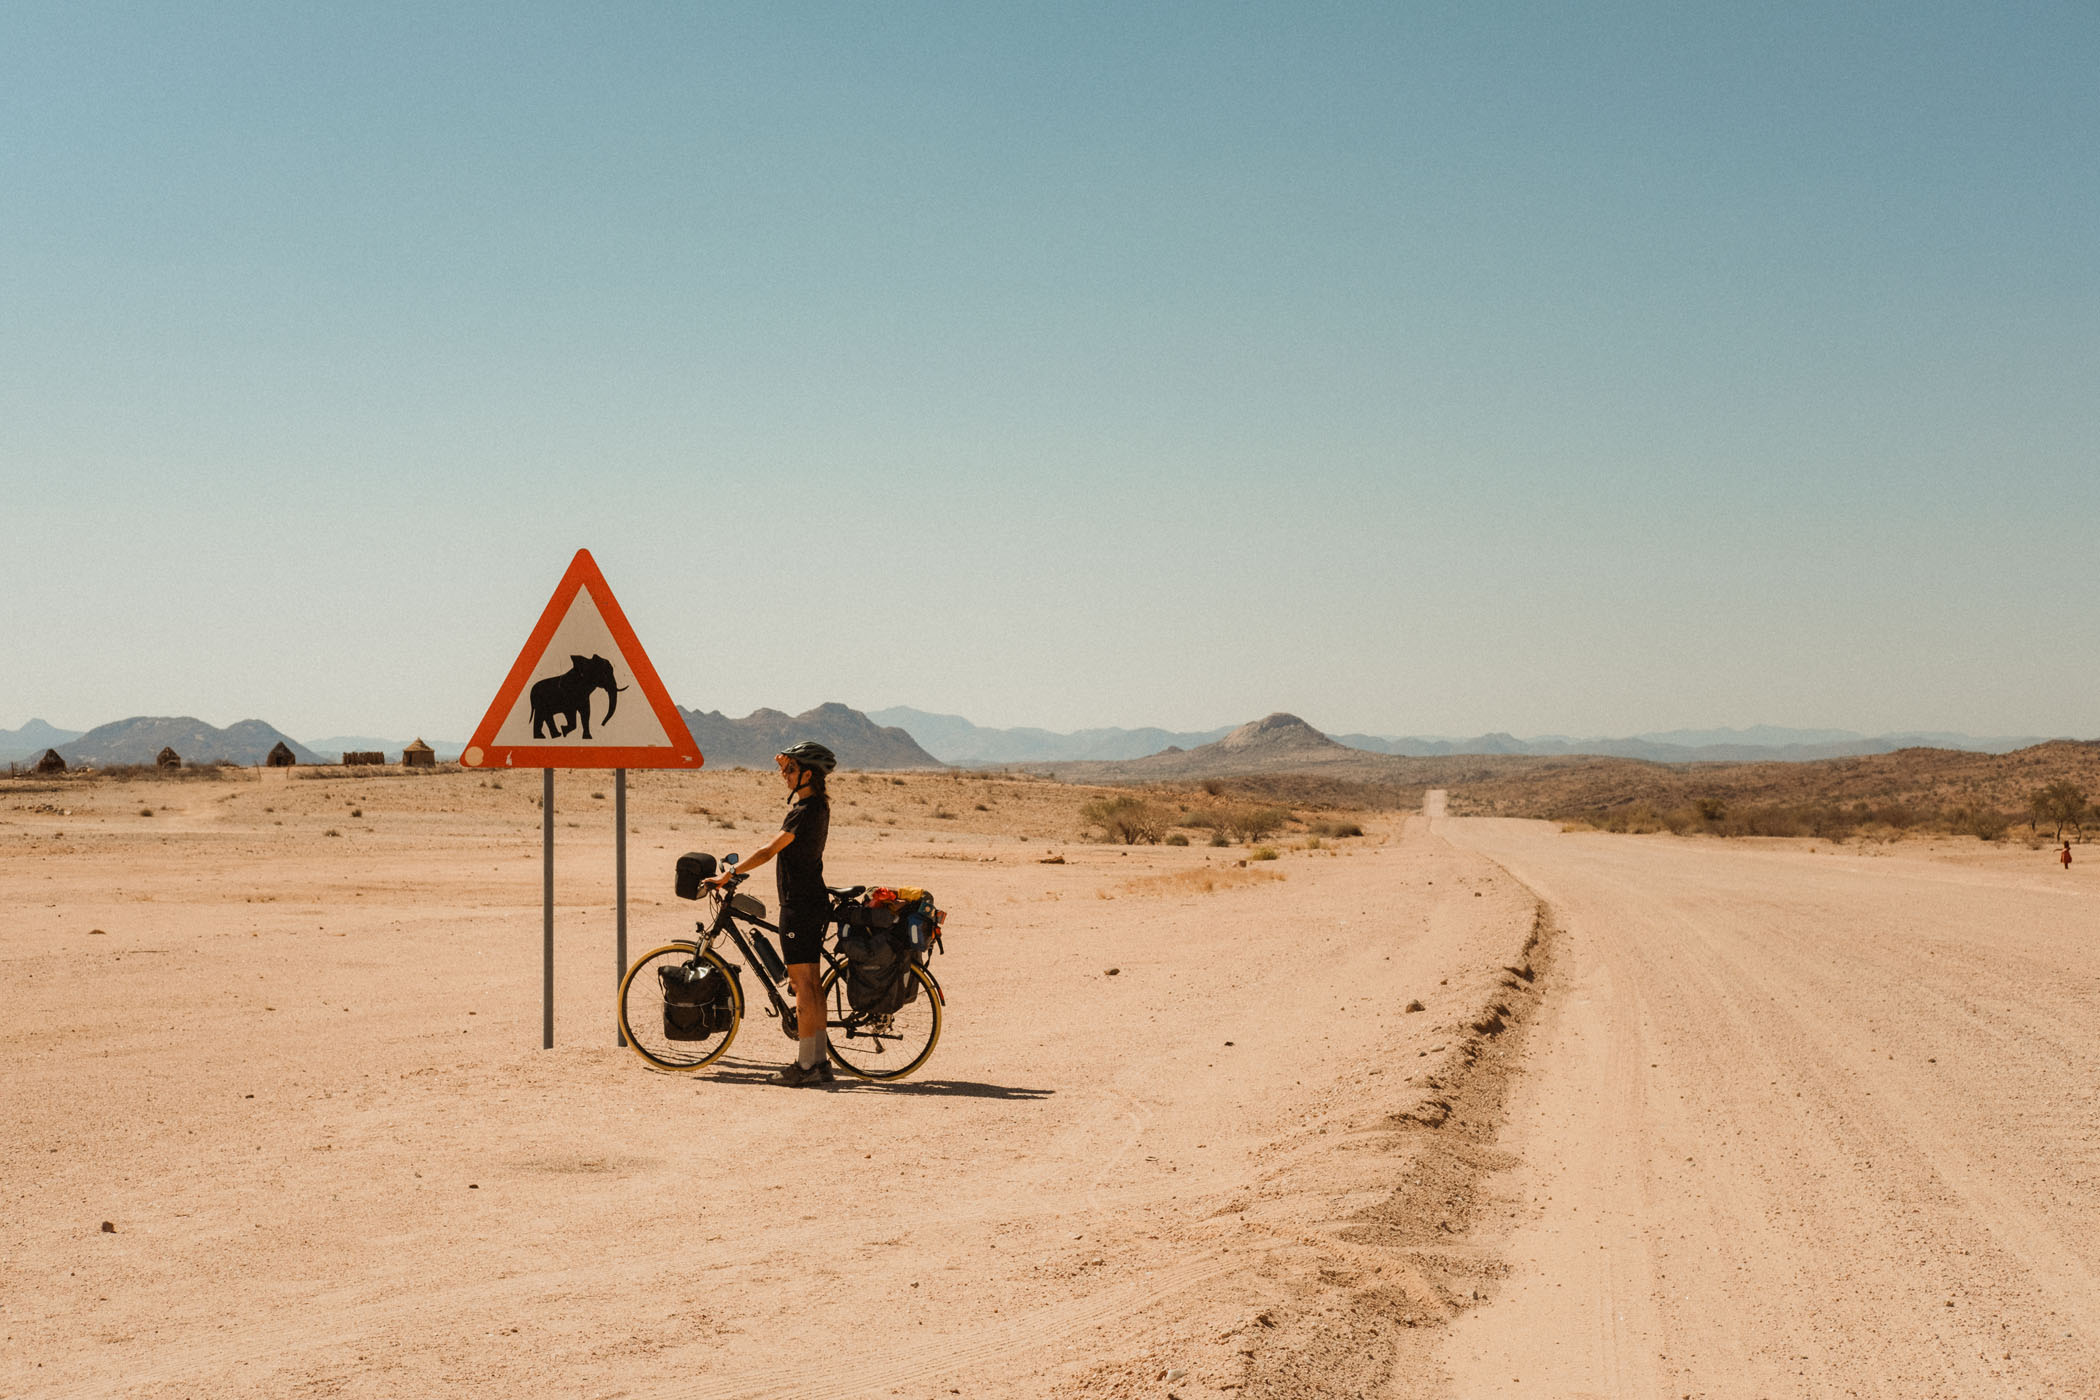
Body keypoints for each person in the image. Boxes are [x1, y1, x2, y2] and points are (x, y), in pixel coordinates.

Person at [705, 741, 837, 1085]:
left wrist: (727, 875)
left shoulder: (804, 810)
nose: (784, 775)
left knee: (801, 984)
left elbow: (766, 852)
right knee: (812, 984)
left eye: (791, 770)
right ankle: (819, 1062)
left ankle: (806, 1067)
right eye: (784, 769)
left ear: (808, 774)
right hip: (813, 901)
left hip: (799, 905)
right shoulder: (818, 806)